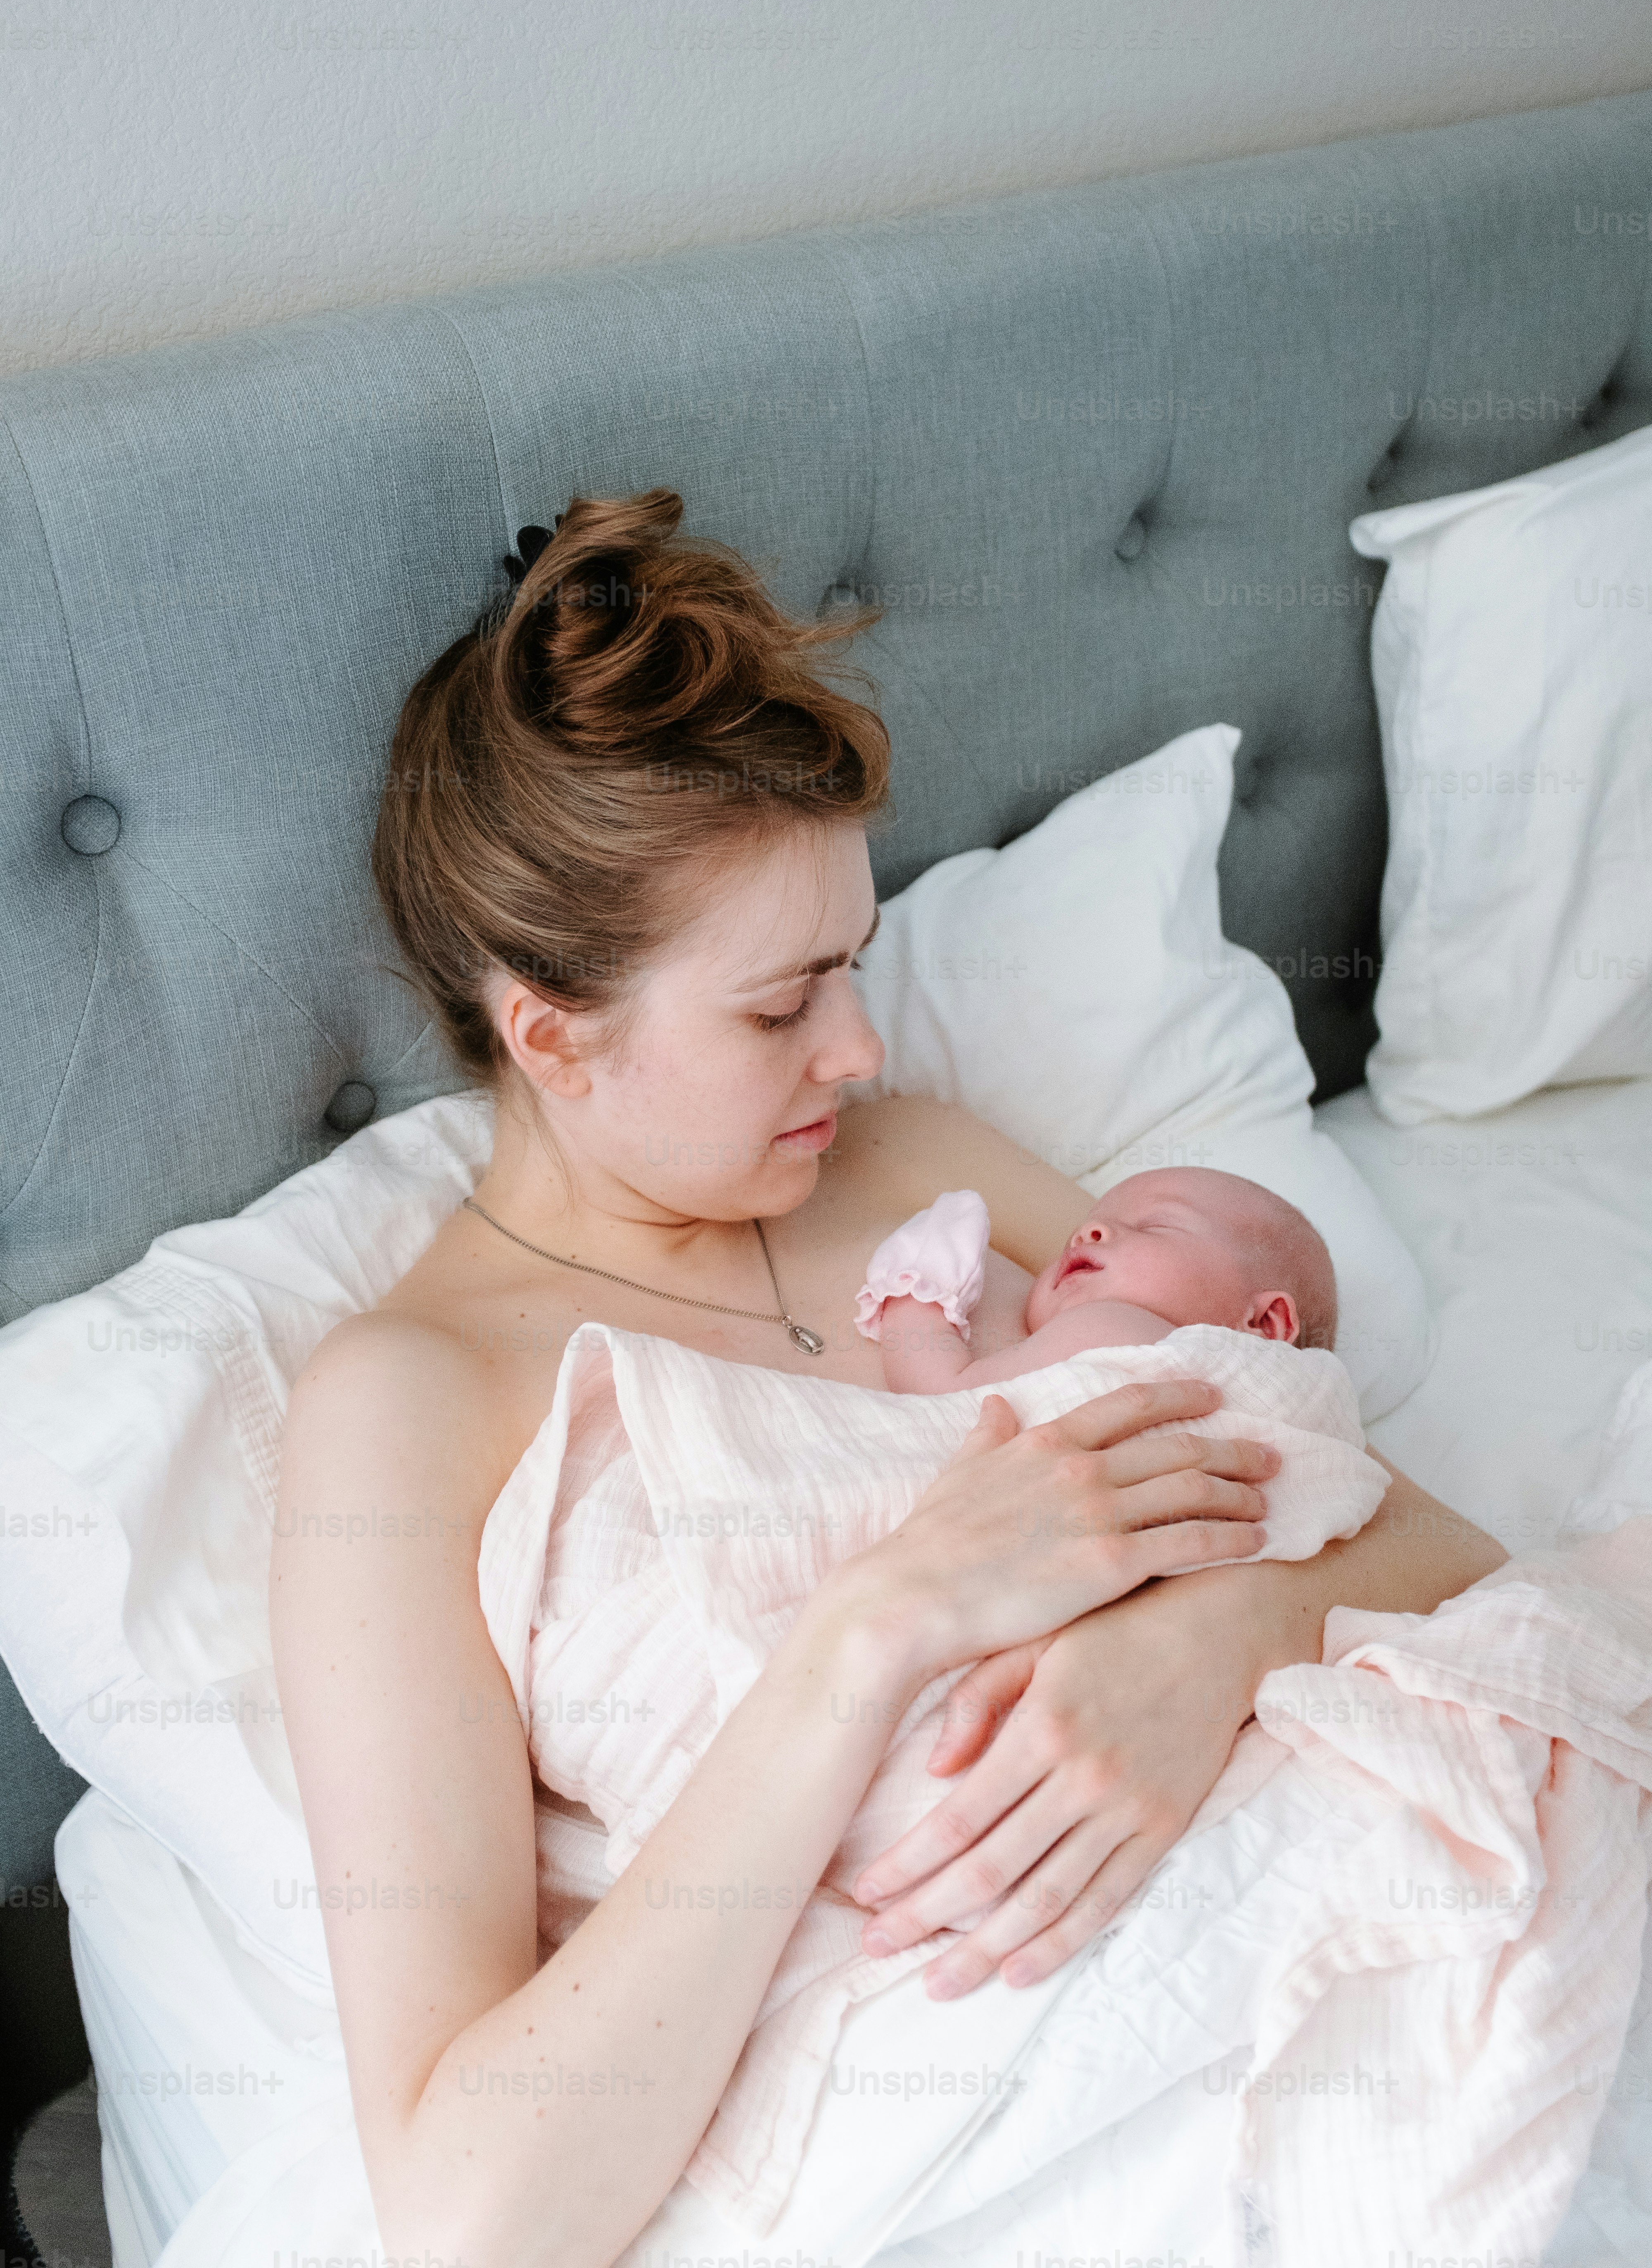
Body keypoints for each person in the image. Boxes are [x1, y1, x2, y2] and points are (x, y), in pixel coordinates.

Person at [271, 487, 1505, 2268]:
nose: (853, 1047)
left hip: (1340, 1864)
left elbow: (1413, 1528)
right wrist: (880, 1625)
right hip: (1008, 2075)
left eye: (850, 966)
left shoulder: (904, 1154)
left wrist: (1205, 1643)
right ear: (551, 1032)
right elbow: (469, 2212)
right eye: (779, 1010)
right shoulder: (409, 1399)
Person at [860, 1170, 1338, 1393]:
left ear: (1265, 1322)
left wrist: (914, 1288)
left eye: (1156, 1226)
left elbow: (950, 1402)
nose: (1087, 1233)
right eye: (1082, 1230)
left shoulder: (1117, 1329)